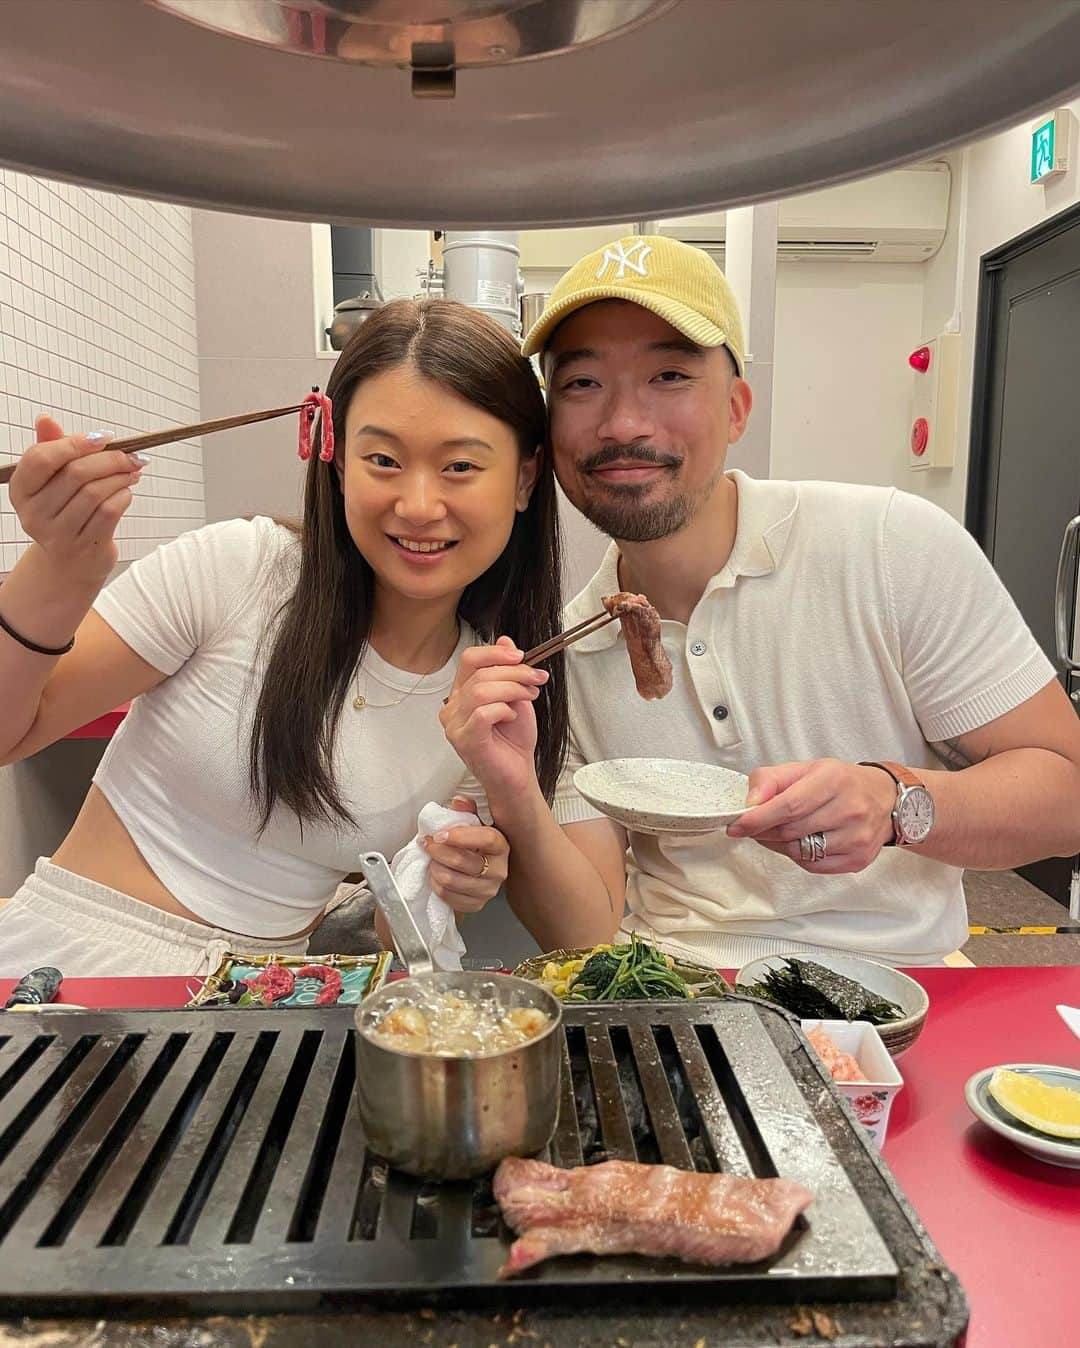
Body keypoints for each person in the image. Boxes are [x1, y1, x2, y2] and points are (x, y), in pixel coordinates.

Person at [441, 235, 1080, 967]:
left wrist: (892, 803)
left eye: (670, 374)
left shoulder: (891, 545)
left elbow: (1067, 795)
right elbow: (586, 935)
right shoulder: (563, 654)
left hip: (899, 987)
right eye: (581, 384)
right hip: (672, 997)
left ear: (738, 407)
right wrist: (514, 788)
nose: (622, 424)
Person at [0, 299, 568, 976]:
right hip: (74, 967)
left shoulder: (486, 695)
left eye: (460, 468)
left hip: (266, 1003)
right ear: (334, 459)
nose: (418, 505)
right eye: (383, 459)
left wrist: (446, 883)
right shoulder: (240, 568)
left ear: (525, 479)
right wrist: (61, 565)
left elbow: (396, 929)